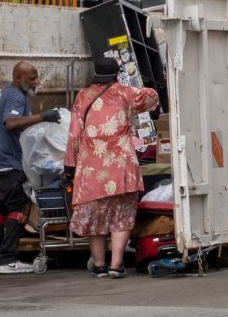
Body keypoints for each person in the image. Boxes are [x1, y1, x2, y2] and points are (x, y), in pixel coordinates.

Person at [63, 57, 159, 279]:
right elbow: (152, 96)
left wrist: (69, 166)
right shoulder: (125, 93)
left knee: (95, 216)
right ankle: (116, 264)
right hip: (121, 166)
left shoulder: (82, 96)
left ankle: (99, 265)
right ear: (117, 74)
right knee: (122, 215)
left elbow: (74, 135)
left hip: (91, 168)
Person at [0, 61, 61, 275]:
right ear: (19, 79)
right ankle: (8, 260)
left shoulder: (8, 92)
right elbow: (11, 123)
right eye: (31, 78)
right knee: (18, 210)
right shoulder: (16, 96)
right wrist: (43, 117)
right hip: (9, 164)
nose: (36, 82)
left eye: (37, 77)